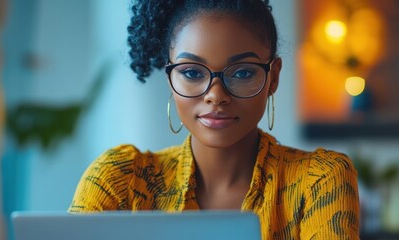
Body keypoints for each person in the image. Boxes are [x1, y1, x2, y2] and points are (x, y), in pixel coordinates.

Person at [69, 0, 360, 239]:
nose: (216, 95)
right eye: (192, 72)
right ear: (170, 78)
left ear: (273, 78)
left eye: (243, 72)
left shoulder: (319, 180)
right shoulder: (120, 180)